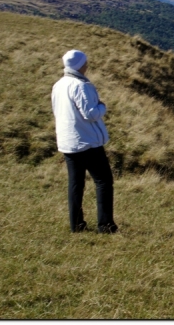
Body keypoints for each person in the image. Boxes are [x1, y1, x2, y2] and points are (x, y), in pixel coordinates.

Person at [51, 49, 118, 233]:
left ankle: (77, 225)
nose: (87, 65)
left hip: (68, 142)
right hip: (87, 142)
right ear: (81, 65)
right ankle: (106, 225)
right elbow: (90, 114)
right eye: (85, 62)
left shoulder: (58, 85)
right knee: (103, 181)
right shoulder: (81, 85)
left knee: (76, 183)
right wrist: (102, 106)